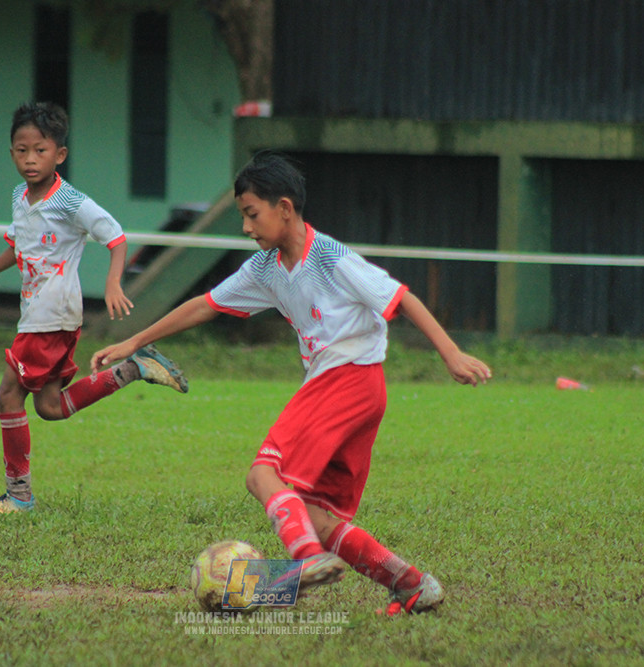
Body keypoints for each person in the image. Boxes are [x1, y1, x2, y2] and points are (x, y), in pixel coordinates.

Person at [91, 151, 492, 614]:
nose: (246, 227)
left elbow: (401, 298)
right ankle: (412, 584)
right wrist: (135, 340)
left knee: (263, 474)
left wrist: (451, 353)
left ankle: (303, 561)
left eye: (251, 214)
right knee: (318, 517)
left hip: (344, 380)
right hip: (360, 391)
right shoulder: (265, 268)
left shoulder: (330, 257)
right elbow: (205, 305)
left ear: (284, 208)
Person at [0, 102, 188, 514]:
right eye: (21, 150)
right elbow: (17, 245)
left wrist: (113, 281)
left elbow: (115, 235)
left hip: (51, 314)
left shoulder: (71, 201)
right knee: (50, 407)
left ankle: (19, 495)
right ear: (11, 154)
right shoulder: (20, 196)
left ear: (59, 155)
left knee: (7, 396)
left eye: (40, 150)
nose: (29, 159)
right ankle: (135, 368)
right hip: (43, 315)